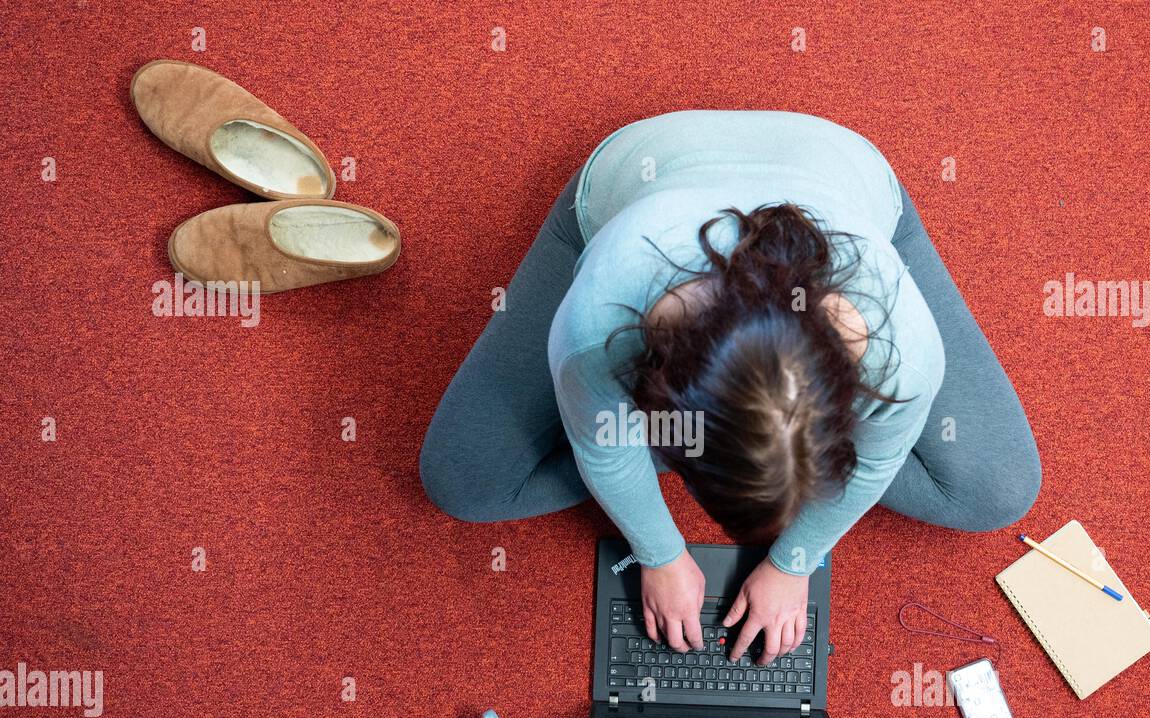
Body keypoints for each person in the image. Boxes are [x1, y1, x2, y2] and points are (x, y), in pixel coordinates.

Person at [420, 111, 1040, 667]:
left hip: (841, 175)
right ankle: (687, 444)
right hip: (637, 174)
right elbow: (607, 447)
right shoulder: (596, 326)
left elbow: (876, 460)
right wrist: (659, 553)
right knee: (464, 480)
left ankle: (694, 446)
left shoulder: (900, 346)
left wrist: (794, 562)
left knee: (999, 493)